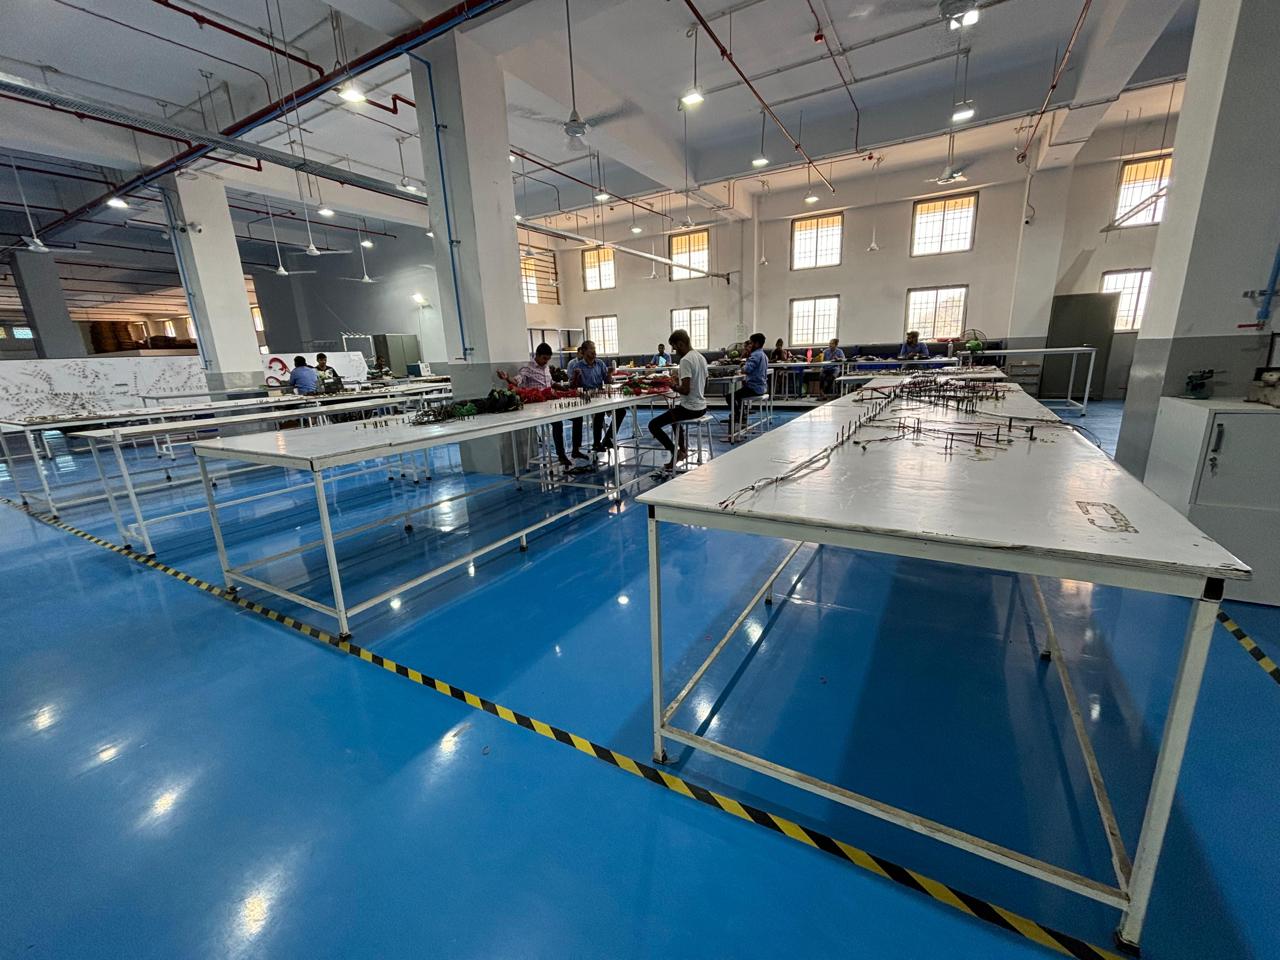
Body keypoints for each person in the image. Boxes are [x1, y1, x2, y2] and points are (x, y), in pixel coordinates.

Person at [498, 343, 572, 468]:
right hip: (536, 408)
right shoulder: (527, 368)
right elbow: (517, 381)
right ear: (537, 355)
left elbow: (550, 382)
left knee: (559, 421)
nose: (546, 361)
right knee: (557, 423)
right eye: (544, 358)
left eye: (548, 359)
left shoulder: (546, 368)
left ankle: (562, 454)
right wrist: (507, 378)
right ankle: (561, 455)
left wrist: (564, 388)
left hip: (549, 404)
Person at [649, 329, 708, 473]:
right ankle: (683, 449)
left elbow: (686, 390)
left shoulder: (685, 360)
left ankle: (676, 453)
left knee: (653, 425)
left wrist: (673, 385)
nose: (674, 351)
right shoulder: (701, 357)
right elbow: (704, 382)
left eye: (675, 347)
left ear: (681, 344)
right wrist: (679, 382)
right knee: (674, 416)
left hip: (691, 409)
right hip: (702, 406)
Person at [570, 340, 624, 453]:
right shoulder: (577, 366)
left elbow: (607, 381)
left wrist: (609, 374)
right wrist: (576, 376)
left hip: (600, 395)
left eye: (595, 349)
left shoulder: (599, 363)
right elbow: (573, 386)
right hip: (586, 397)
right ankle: (595, 443)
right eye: (591, 349)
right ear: (584, 351)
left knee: (621, 411)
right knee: (598, 413)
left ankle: (608, 438)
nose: (594, 352)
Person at [732, 332, 768, 432]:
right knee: (739, 396)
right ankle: (741, 415)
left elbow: (747, 369)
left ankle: (739, 417)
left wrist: (742, 366)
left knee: (730, 397)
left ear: (756, 344)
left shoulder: (755, 355)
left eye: (751, 343)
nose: (750, 345)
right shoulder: (763, 355)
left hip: (754, 388)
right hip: (762, 387)